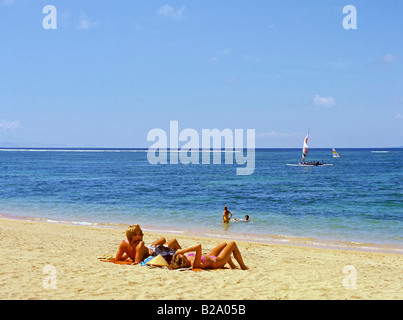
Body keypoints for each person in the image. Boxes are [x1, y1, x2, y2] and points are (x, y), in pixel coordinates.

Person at [115, 224, 182, 264]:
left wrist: (128, 255)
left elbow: (117, 259)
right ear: (134, 237)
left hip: (148, 248)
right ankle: (183, 258)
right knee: (174, 241)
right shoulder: (140, 244)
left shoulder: (123, 244)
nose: (143, 234)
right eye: (140, 233)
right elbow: (137, 262)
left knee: (163, 239)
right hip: (154, 252)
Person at [169, 241, 248, 270]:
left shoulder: (187, 259)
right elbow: (198, 246)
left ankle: (233, 266)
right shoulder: (194, 264)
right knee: (232, 244)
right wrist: (183, 250)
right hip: (216, 262)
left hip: (209, 256)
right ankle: (243, 266)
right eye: (182, 255)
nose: (182, 254)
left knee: (224, 244)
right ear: (183, 261)